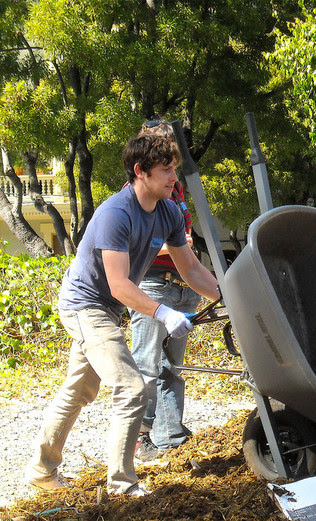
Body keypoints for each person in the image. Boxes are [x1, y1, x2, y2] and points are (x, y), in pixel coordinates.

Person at [25, 125, 221, 496]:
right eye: (166, 171)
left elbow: (191, 270)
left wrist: (229, 297)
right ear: (141, 172)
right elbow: (118, 284)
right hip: (86, 304)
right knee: (131, 388)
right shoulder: (116, 213)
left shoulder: (168, 213)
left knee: (79, 390)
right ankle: (121, 484)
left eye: (174, 169)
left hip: (109, 306)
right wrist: (163, 313)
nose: (173, 178)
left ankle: (40, 470)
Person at [130, 121, 202, 462]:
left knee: (171, 366)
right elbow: (135, 246)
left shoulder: (176, 191)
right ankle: (138, 438)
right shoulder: (139, 192)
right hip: (153, 284)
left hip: (180, 287)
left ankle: (170, 433)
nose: (173, 157)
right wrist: (171, 247)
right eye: (166, 148)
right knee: (147, 363)